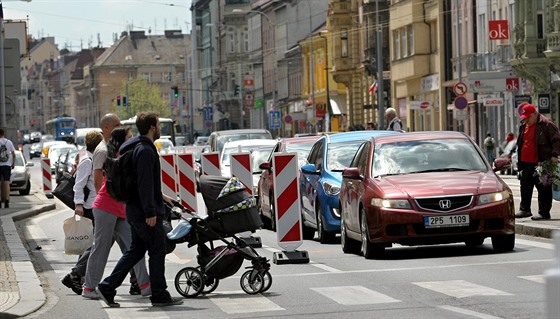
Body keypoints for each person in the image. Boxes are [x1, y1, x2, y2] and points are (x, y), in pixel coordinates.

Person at [97, 112, 182, 308]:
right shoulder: (144, 151)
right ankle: (159, 294)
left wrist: (161, 199)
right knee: (157, 250)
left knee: (136, 250)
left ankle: (108, 287)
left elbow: (145, 184)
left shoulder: (139, 147)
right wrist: (151, 212)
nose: (160, 128)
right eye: (159, 125)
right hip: (144, 213)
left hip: (135, 210)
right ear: (152, 127)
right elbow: (144, 184)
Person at [81, 126, 151, 299]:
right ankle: (88, 288)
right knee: (101, 248)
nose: (132, 139)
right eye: (129, 136)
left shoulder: (124, 155)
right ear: (121, 140)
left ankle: (145, 285)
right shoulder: (116, 156)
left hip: (120, 209)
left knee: (135, 248)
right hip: (105, 207)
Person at [62, 115, 124, 295]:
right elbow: (79, 185)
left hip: (100, 206)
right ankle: (77, 275)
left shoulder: (95, 156)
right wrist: (79, 205)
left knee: (100, 243)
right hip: (94, 207)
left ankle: (79, 275)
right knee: (98, 244)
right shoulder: (88, 161)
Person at [515, 103, 560, 220]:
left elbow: (557, 140)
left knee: (543, 188)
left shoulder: (546, 124)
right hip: (525, 163)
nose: (526, 120)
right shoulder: (523, 126)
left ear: (535, 114)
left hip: (541, 163)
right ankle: (525, 209)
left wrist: (555, 155)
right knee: (525, 186)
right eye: (524, 118)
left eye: (528, 117)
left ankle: (544, 212)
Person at [0, 128, 16, 208]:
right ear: (3, 134)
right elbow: (13, 154)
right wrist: (13, 164)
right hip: (7, 165)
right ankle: (7, 201)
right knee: (7, 183)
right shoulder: (8, 142)